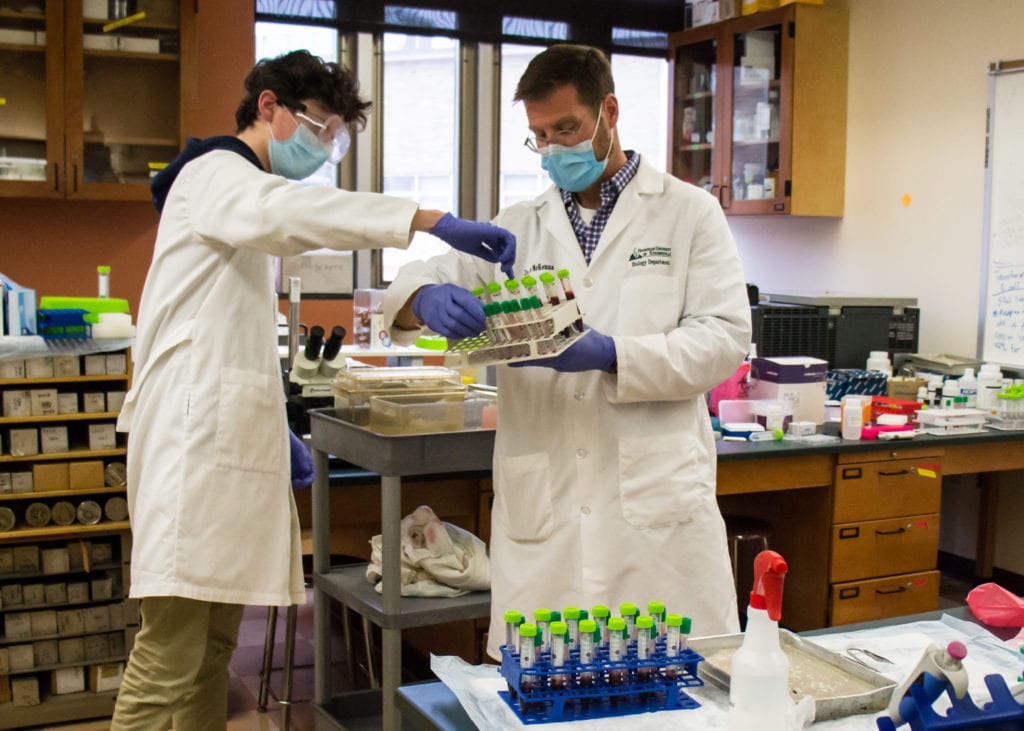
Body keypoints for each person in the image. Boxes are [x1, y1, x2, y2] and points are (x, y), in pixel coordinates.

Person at [111, 50, 514, 729]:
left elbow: (226, 340)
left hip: (214, 444)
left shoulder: (240, 195)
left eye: (335, 137)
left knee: (209, 649)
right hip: (188, 449)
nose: (324, 148)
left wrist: (274, 431)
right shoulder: (217, 175)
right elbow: (299, 213)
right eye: (318, 128)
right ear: (267, 107)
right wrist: (427, 219)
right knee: (170, 656)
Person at [383, 44, 752, 660]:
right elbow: (411, 279)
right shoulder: (518, 226)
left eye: (566, 128)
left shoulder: (688, 214)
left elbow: (721, 341)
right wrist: (423, 299)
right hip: (546, 515)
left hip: (654, 518)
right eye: (539, 136)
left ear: (608, 110)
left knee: (670, 694)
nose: (554, 148)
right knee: (546, 692)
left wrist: (614, 355)